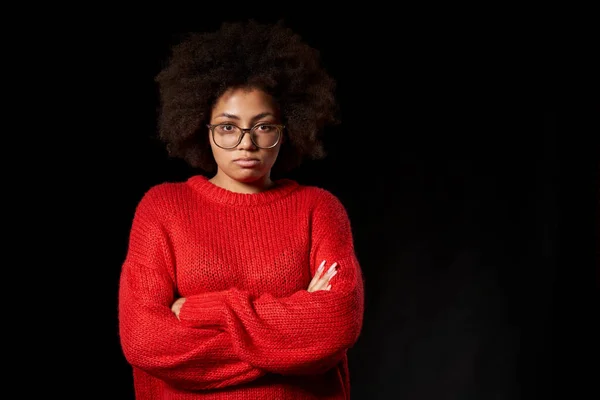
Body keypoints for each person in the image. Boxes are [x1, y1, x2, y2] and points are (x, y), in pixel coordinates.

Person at [118, 19, 365, 400]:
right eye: (229, 128)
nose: (246, 143)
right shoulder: (163, 208)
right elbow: (146, 341)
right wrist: (288, 337)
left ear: (288, 128)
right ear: (203, 129)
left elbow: (335, 325)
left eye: (263, 127)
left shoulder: (319, 209)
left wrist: (199, 311)